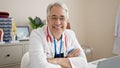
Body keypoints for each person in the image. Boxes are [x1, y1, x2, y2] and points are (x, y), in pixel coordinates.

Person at [29, 2, 87, 68]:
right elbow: (39, 66)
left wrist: (56, 61)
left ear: (67, 21)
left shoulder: (70, 34)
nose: (58, 22)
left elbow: (83, 62)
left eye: (62, 18)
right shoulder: (37, 35)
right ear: (48, 20)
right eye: (54, 18)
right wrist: (68, 62)